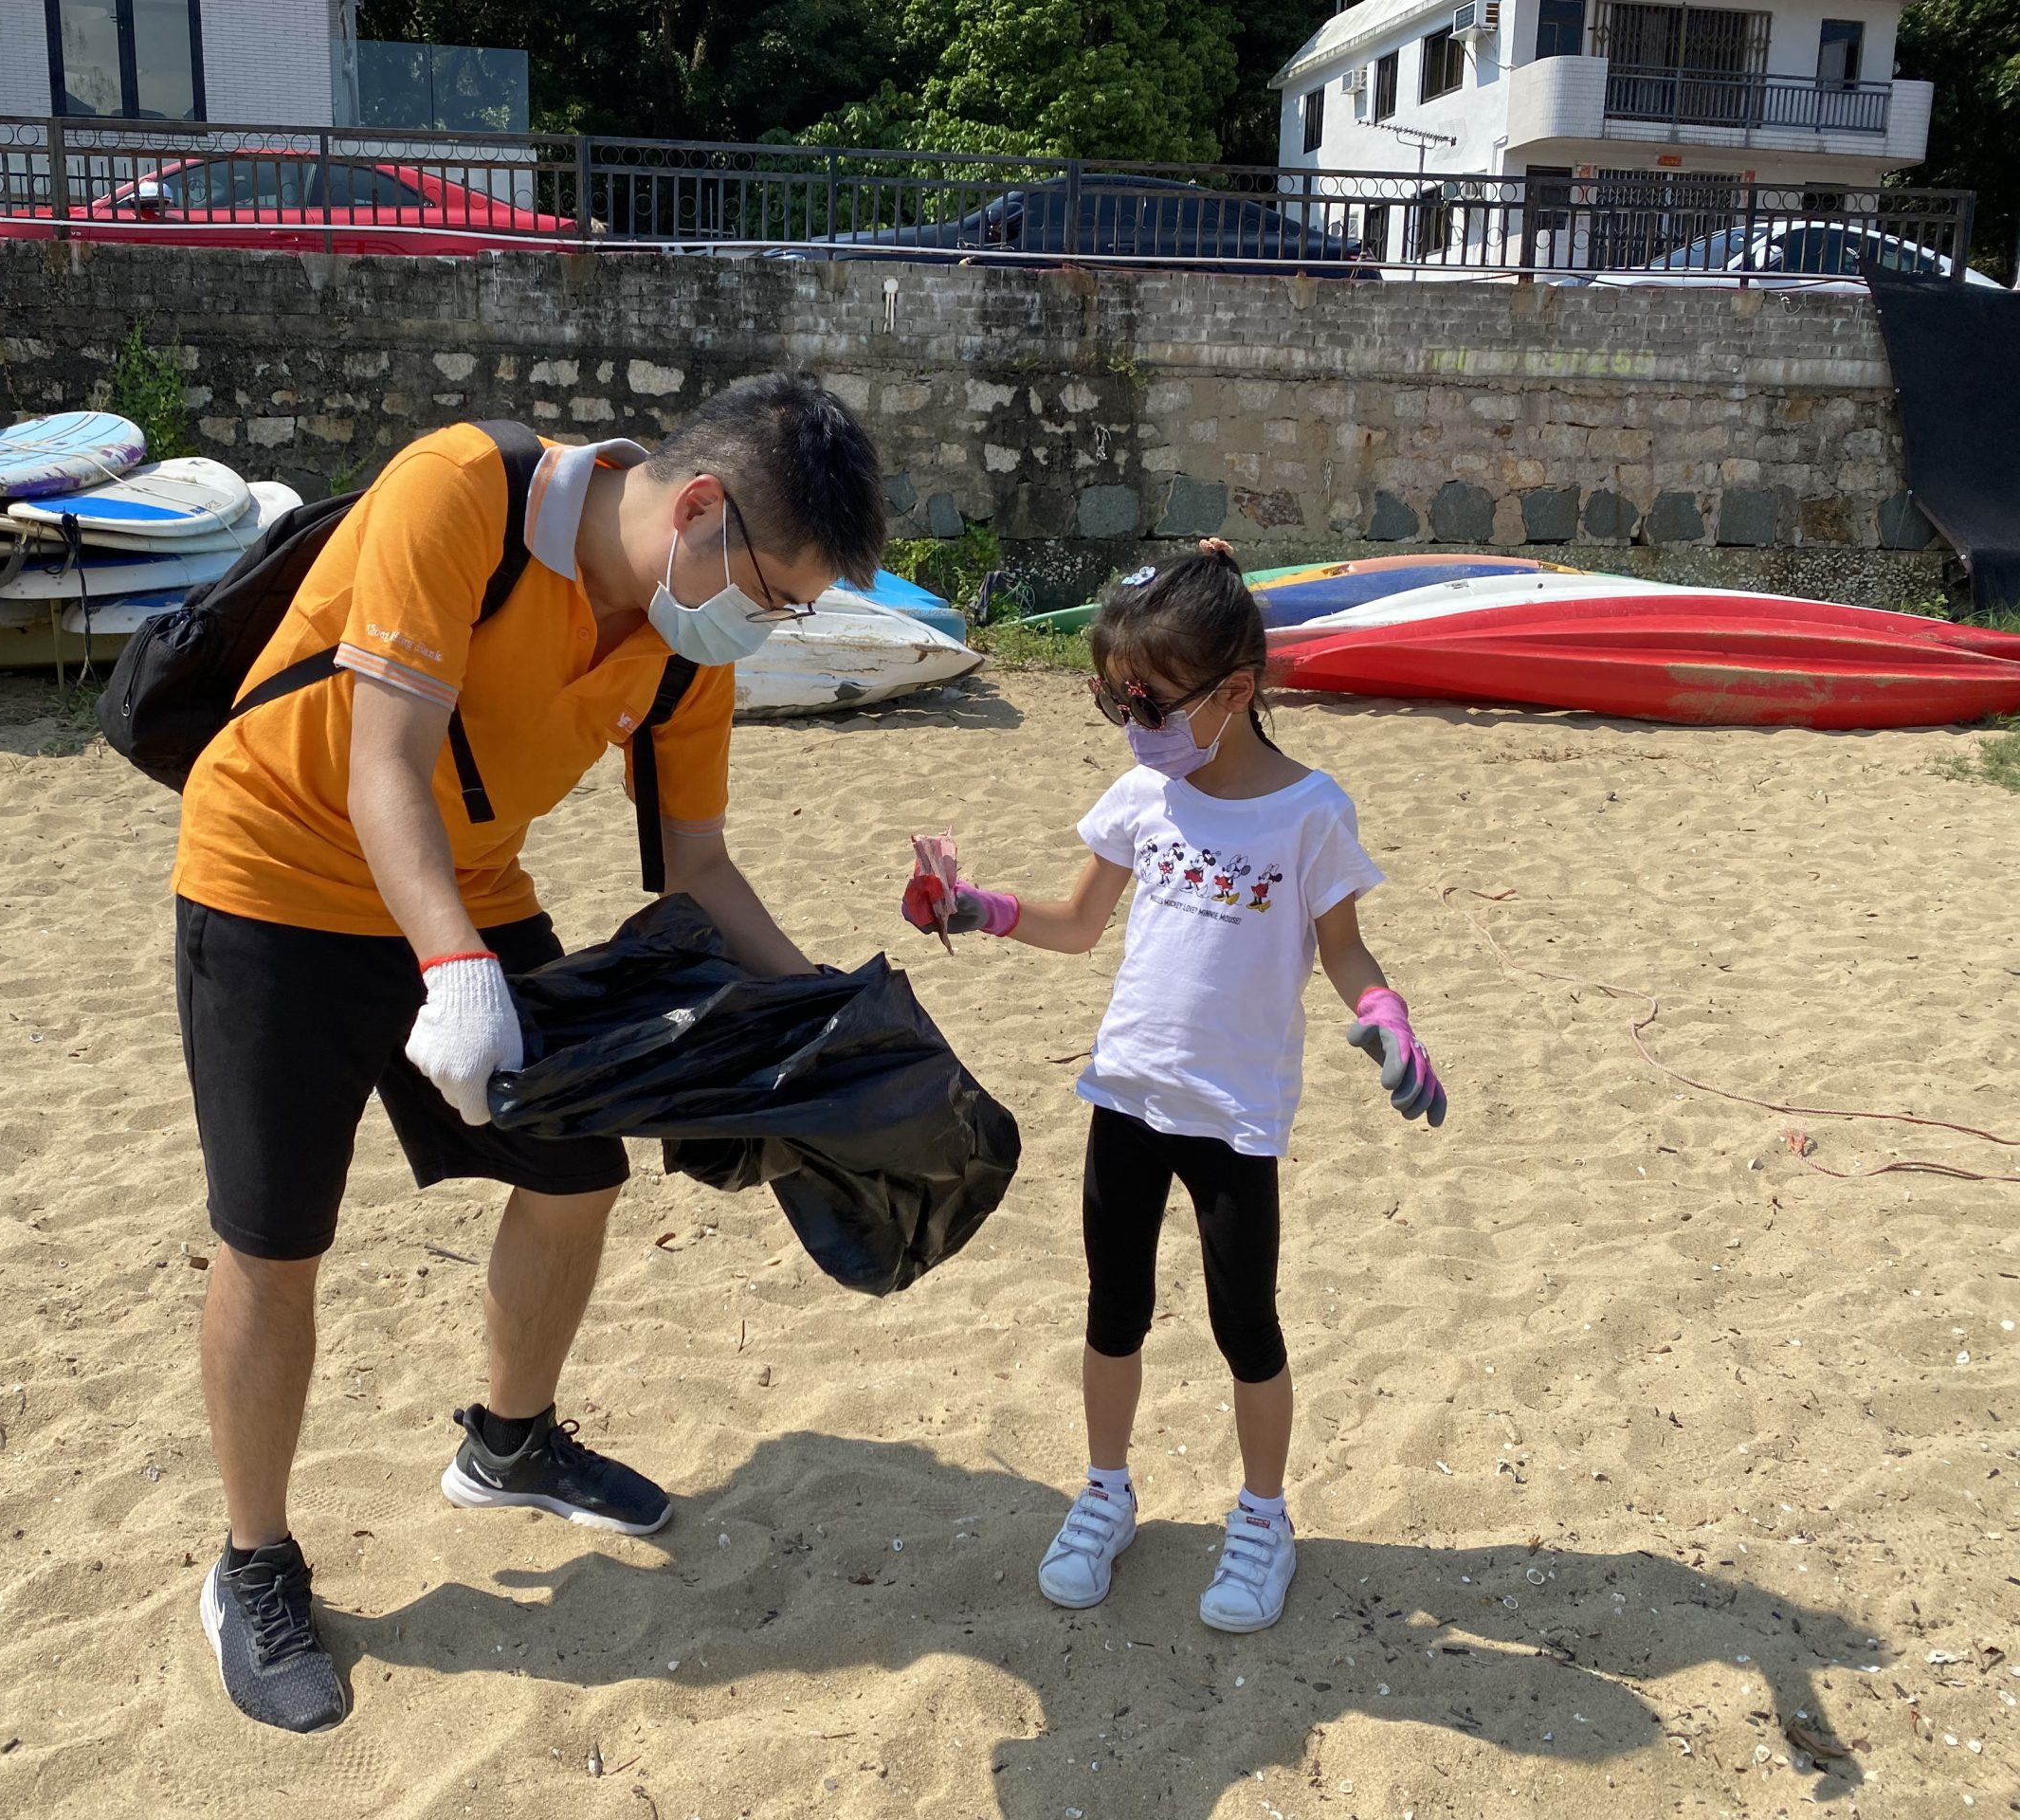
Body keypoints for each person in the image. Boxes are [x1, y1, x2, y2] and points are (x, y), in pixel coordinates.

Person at [173, 374, 885, 1732]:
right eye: (774, 595)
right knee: (275, 1239)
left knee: (576, 1173)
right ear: (699, 508)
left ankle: (509, 1445)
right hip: (273, 875)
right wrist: (454, 971)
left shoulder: (685, 643)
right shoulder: (461, 490)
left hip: (474, 886)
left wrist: (825, 1009)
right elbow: (385, 763)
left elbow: (697, 864)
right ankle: (253, 1563)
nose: (767, 625)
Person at [901, 538, 1445, 1633]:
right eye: (1114, 701)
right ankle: (1105, 1492)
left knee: (1247, 1326)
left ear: (1233, 692)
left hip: (1234, 1117)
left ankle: (1263, 1517)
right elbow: (1075, 924)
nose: (1130, 721)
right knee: (1114, 1311)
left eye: (1146, 701)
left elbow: (1342, 950)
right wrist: (972, 908)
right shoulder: (1142, 794)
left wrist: (1385, 1016)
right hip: (1126, 1096)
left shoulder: (1308, 813)